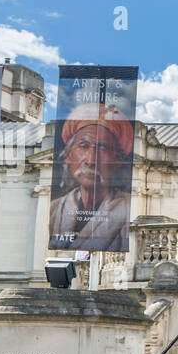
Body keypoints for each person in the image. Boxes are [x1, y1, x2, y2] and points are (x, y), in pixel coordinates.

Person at [48, 103, 134, 252]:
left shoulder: (129, 208)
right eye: (83, 146)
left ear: (116, 161)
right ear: (68, 155)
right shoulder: (53, 209)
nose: (91, 160)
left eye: (103, 148)